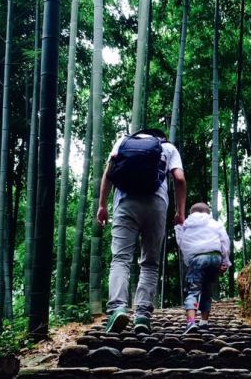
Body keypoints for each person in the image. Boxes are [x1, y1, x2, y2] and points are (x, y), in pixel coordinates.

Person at [97, 128, 186, 334]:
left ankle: (118, 308)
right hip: (156, 205)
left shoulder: (123, 142)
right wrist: (180, 212)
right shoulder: (168, 147)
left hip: (125, 202)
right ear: (160, 137)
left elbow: (109, 173)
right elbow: (179, 179)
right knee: (150, 263)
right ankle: (143, 316)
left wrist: (102, 205)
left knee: (120, 259)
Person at [175, 202, 230, 334]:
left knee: (193, 290)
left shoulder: (186, 224)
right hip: (215, 257)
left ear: (191, 213)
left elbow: (180, 241)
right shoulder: (215, 223)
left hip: (198, 258)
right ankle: (204, 322)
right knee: (207, 289)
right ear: (208, 212)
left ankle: (191, 322)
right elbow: (225, 241)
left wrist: (189, 261)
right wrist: (225, 262)